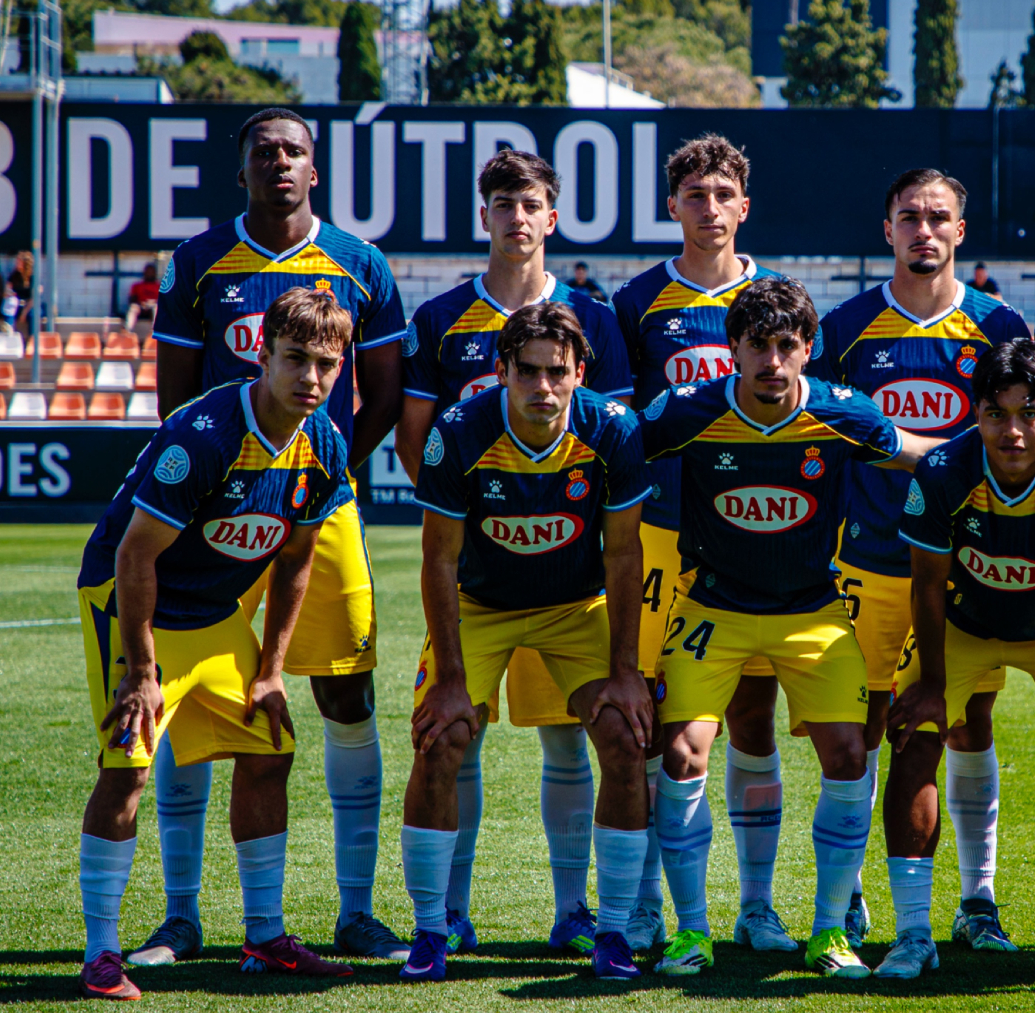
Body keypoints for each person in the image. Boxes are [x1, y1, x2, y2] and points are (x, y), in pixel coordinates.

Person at [140, 107, 411, 964]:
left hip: (317, 515)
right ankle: (182, 914)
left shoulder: (362, 265)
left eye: (295, 151)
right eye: (265, 152)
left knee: (345, 697)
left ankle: (356, 909)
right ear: (245, 168)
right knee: (186, 707)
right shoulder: (197, 263)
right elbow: (175, 403)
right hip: (213, 518)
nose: (280, 162)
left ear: (315, 169)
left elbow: (386, 393)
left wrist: (319, 474)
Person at [638, 275, 941, 979]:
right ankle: (692, 932)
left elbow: (921, 451)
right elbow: (614, 448)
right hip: (713, 607)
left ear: (808, 349)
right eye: (757, 346)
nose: (772, 362)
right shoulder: (686, 410)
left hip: (811, 609)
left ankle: (830, 931)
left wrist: (1006, 446)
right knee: (682, 753)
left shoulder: (841, 412)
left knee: (846, 756)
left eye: (786, 346)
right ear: (732, 349)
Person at [72, 287, 359, 1000]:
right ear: (262, 353)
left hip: (214, 609)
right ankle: (101, 952)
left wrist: (270, 670)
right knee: (129, 765)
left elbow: (294, 561)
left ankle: (263, 938)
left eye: (326, 364)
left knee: (271, 743)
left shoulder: (323, 440)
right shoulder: (203, 435)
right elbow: (135, 558)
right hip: (133, 601)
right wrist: (142, 672)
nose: (311, 379)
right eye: (295, 359)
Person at [393, 148, 634, 959]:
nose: (517, 217)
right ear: (485, 214)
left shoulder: (596, 321)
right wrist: (467, 492)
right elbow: (418, 439)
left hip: (571, 575)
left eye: (531, 203)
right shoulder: (439, 319)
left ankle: (578, 912)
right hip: (480, 567)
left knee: (574, 735)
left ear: (551, 216)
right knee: (454, 730)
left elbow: (606, 454)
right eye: (503, 203)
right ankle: (446, 916)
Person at [812, 168, 1032, 954]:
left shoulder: (1000, 327)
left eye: (940, 217)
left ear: (961, 232)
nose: (924, 230)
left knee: (970, 722)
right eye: (910, 216)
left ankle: (978, 899)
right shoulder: (843, 329)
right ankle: (855, 894)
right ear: (887, 229)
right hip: (868, 561)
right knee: (864, 728)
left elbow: (1019, 440)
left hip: (968, 566)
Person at [610, 134, 811, 952]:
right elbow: (625, 432)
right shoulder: (635, 303)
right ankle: (658, 903)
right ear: (673, 206)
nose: (709, 207)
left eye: (722, 193)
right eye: (694, 193)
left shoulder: (781, 302)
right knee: (662, 723)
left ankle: (756, 904)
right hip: (662, 537)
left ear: (744, 206)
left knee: (754, 717)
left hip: (756, 535)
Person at [881, 339, 1035, 983]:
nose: (1012, 430)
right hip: (963, 624)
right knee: (913, 736)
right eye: (997, 413)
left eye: (1030, 412)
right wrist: (933, 684)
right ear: (976, 411)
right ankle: (913, 936)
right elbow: (927, 585)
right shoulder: (942, 471)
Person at [125, 263, 161, 331]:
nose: (150, 274)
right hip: (141, 307)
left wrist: (153, 302)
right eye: (148, 272)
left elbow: (164, 302)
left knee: (157, 308)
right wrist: (141, 303)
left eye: (151, 272)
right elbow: (131, 300)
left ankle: (155, 331)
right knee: (133, 308)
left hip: (153, 307)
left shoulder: (160, 286)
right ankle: (128, 331)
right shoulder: (137, 286)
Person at [5, 252, 33, 335]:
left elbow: (34, 299)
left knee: (34, 314)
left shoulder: (32, 277)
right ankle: (8, 331)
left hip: (29, 305)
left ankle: (33, 339)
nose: (17, 264)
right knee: (10, 306)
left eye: (19, 262)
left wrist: (24, 313)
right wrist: (9, 293)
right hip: (17, 304)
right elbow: (6, 291)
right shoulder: (14, 275)